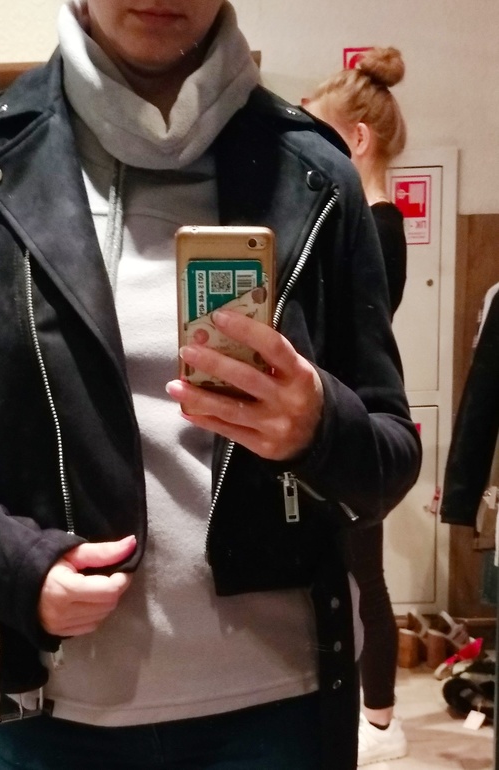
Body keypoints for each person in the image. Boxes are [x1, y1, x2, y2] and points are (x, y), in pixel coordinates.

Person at [0, 4, 421, 769]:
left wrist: (319, 426)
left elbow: (390, 454)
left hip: (281, 711)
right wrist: (14, 565)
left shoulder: (315, 170)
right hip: (62, 712)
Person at [303, 47, 410, 766]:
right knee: (359, 570)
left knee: (363, 574)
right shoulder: (373, 221)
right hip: (348, 417)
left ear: (357, 139)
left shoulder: (371, 225)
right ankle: (376, 716)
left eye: (322, 134)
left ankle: (379, 720)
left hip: (354, 423)